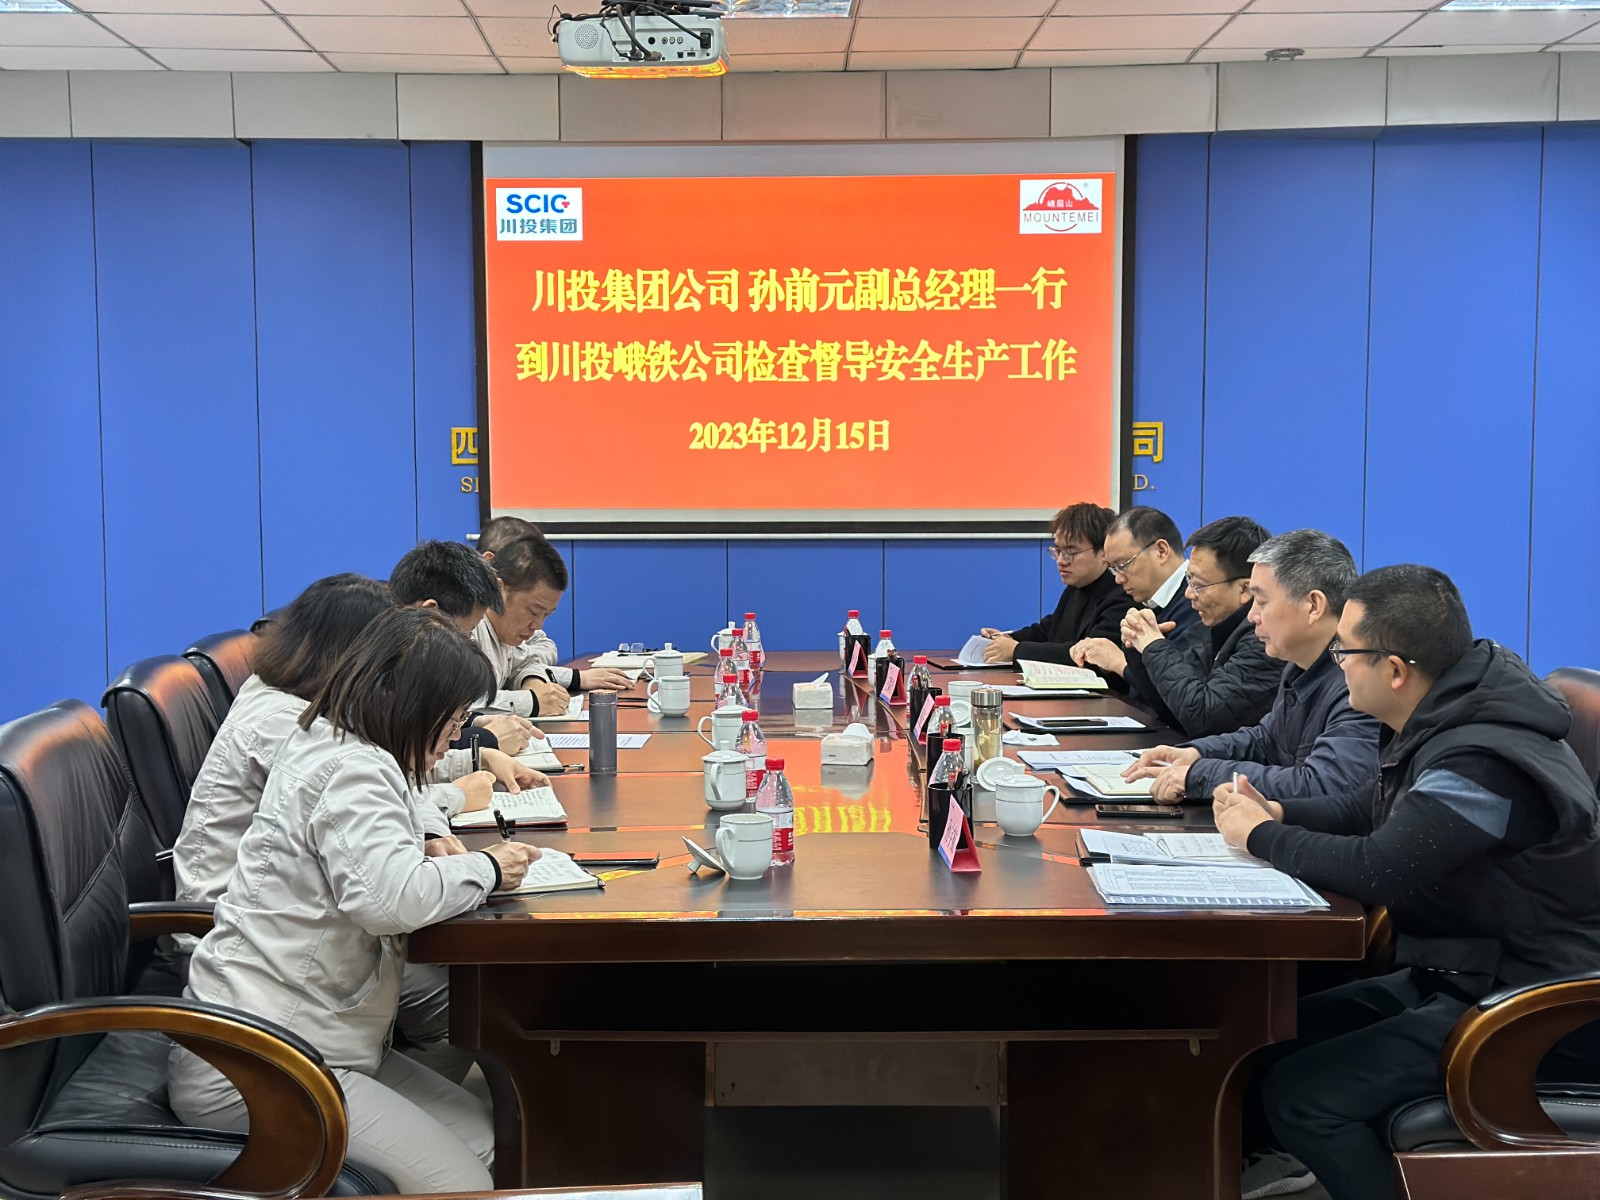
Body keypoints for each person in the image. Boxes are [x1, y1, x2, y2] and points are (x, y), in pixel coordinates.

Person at [1213, 565, 1600, 1200]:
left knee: (1303, 1095)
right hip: (1466, 970)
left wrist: (1260, 837)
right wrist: (1279, 812)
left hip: (1535, 1007)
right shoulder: (1448, 715)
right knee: (1273, 1037)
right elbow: (1373, 807)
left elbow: (1381, 867)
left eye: (1344, 651)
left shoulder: (1482, 757)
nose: (1337, 665)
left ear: (1394, 669)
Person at [169, 608, 542, 1194]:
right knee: (460, 1183)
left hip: (314, 1039)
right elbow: (390, 900)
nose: (456, 735)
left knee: (490, 1135)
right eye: (453, 720)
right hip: (261, 1061)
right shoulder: (351, 768)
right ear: (414, 706)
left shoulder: (347, 744)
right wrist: (490, 868)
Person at [1124, 529, 1379, 803]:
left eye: (1262, 601)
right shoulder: (1299, 666)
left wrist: (1200, 774)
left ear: (1313, 606)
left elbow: (1324, 785)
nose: (1252, 615)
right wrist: (1196, 753)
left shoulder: (1359, 682)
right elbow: (1265, 740)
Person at [1119, 516, 1282, 738]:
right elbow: (1173, 709)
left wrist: (1155, 647)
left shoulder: (1264, 641)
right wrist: (1138, 646)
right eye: (1188, 580)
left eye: (1199, 585)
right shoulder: (1211, 628)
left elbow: (1204, 718)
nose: (1188, 594)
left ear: (1245, 589)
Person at [390, 540, 537, 754]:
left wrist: (474, 721)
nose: (468, 642)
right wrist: (486, 739)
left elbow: (430, 717)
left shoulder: (411, 649)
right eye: (467, 632)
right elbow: (405, 744)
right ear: (432, 612)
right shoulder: (388, 667)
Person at [475, 534, 632, 716]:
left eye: (547, 615)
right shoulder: (465, 627)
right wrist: (533, 702)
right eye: (533, 611)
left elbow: (524, 662)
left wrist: (535, 682)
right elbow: (459, 703)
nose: (538, 625)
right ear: (498, 588)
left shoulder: (503, 631)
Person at [978, 502, 1134, 665]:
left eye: (1071, 552)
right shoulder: (1075, 589)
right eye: (1058, 551)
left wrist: (1017, 650)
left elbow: (1091, 655)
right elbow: (1047, 631)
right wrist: (1005, 639)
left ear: (1104, 552)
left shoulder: (1122, 597)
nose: (1061, 561)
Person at [1068, 505, 1203, 686]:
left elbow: (1180, 690)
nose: (1118, 579)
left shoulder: (1197, 603)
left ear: (1161, 551)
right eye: (1113, 569)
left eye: (1123, 565)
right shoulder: (1148, 604)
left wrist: (1118, 661)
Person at [476, 517, 557, 669]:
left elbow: (545, 645)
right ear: (489, 562)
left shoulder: (507, 615)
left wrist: (527, 672)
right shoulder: (468, 618)